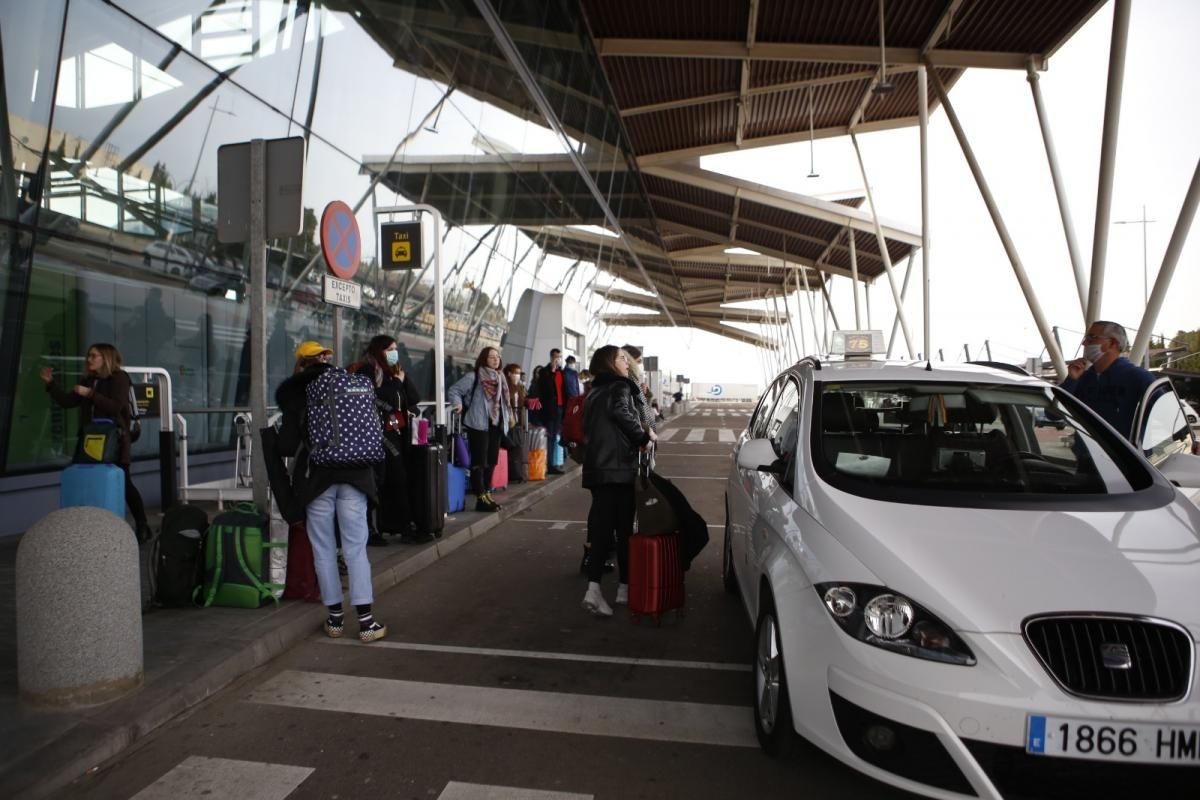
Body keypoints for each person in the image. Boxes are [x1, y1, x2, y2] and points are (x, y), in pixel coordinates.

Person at [276, 341, 387, 643]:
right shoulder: (351, 385)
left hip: (317, 480)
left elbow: (285, 445)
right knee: (355, 548)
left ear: (301, 364)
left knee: (323, 549)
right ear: (327, 360)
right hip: (356, 474)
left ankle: (335, 620)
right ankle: (366, 622)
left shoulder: (296, 392)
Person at [42, 343, 151, 542]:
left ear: (106, 358)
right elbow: (68, 402)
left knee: (124, 481)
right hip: (89, 438)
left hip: (114, 439)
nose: (89, 359)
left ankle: (142, 524)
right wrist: (51, 384)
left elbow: (115, 406)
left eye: (94, 356)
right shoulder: (89, 380)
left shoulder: (119, 378)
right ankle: (86, 523)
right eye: (88, 356)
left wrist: (90, 394)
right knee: (83, 476)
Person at [580, 345, 656, 617]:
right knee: (625, 529)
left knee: (601, 531)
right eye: (621, 359)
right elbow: (622, 414)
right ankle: (623, 586)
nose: (626, 363)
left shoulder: (594, 391)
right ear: (610, 364)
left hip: (597, 470)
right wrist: (643, 439)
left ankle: (595, 588)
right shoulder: (620, 387)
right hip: (620, 469)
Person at [354, 335, 420, 545]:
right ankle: (371, 529)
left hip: (393, 432)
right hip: (373, 434)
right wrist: (396, 385)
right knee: (376, 481)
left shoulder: (394, 372)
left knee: (398, 479)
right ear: (379, 350)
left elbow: (413, 397)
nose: (394, 352)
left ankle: (403, 526)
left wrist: (401, 379)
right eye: (390, 349)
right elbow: (375, 397)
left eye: (395, 348)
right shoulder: (367, 371)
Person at [1060, 320, 1155, 440]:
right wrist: (1071, 380)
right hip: (1087, 456)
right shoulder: (1082, 379)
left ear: (1112, 343)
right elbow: (1053, 415)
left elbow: (1166, 417)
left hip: (1123, 457)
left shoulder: (1139, 378)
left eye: (1091, 338)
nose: (1084, 343)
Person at [448, 346, 512, 512]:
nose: (495, 359)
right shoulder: (474, 376)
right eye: (491, 357)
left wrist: (509, 417)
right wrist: (458, 403)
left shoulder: (501, 377)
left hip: (496, 425)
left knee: (491, 462)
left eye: (497, 357)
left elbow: (504, 401)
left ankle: (487, 493)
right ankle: (480, 496)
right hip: (478, 424)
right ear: (484, 359)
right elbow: (454, 390)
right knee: (479, 462)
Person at [534, 348, 573, 474]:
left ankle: (555, 462)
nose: (558, 359)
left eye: (560, 357)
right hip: (550, 409)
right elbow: (542, 388)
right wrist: (551, 371)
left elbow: (565, 390)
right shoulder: (545, 372)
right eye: (556, 357)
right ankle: (549, 465)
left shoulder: (562, 372)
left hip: (561, 408)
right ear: (551, 357)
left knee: (556, 436)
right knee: (550, 437)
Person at [621, 344, 656, 433]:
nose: (640, 364)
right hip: (636, 430)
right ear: (630, 359)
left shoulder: (633, 378)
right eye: (639, 360)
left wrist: (644, 393)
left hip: (638, 428)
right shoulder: (628, 378)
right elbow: (637, 409)